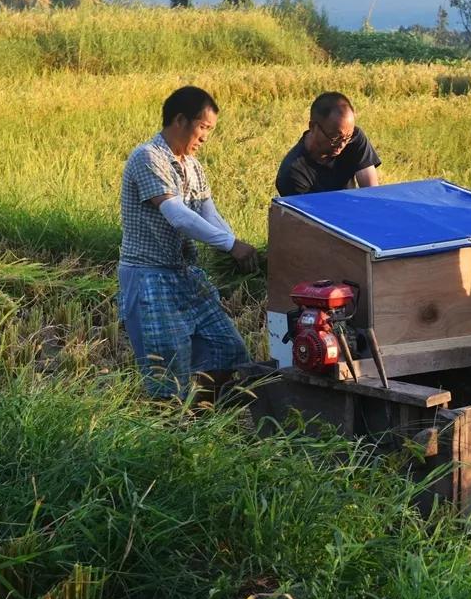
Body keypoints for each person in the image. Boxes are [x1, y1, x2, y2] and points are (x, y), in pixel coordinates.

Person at [118, 86, 259, 399]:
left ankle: (201, 415)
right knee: (167, 374)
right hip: (149, 276)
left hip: (185, 273)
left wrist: (236, 242)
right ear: (180, 120)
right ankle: (170, 431)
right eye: (204, 127)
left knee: (230, 350)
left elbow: (209, 213)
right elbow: (177, 215)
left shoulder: (193, 166)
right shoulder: (148, 158)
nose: (206, 137)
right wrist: (230, 245)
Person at [275, 91, 382, 196]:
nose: (342, 144)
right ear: (313, 127)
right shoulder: (293, 173)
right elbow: (306, 212)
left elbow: (372, 193)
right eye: (335, 138)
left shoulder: (354, 139)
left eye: (347, 137)